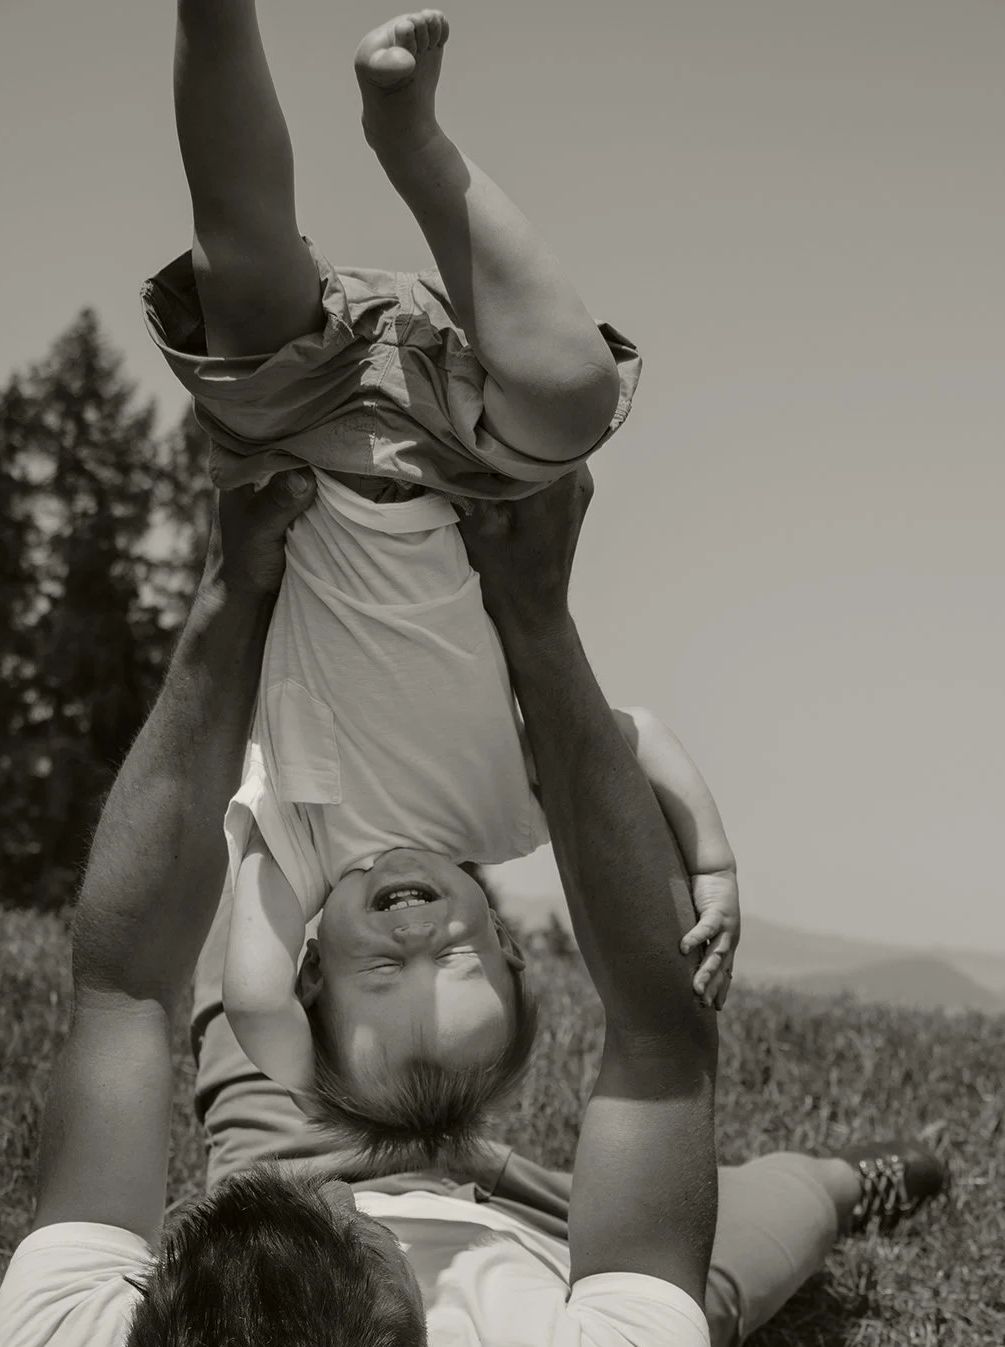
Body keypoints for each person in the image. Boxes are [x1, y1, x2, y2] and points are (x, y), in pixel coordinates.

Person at [0, 466, 947, 1347]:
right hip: (542, 1248)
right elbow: (659, 1043)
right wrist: (537, 622)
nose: (348, 1193)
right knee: (738, 1257)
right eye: (348, 1229)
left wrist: (234, 593)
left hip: (267, 1159)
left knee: (255, 970)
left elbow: (120, 992)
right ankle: (849, 1181)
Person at [141, 2, 740, 1167]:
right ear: (517, 949)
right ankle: (413, 140)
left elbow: (250, 995)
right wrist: (712, 865)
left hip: (297, 452)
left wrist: (312, 1084)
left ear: (313, 965)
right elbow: (645, 737)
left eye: (381, 971)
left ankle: (216, 19)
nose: (418, 936)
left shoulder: (297, 849)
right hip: (466, 463)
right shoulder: (510, 810)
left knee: (243, 259)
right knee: (575, 394)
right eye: (457, 961)